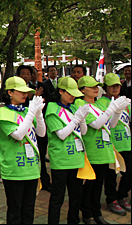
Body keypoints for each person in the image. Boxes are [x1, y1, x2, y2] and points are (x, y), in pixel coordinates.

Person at [74, 76, 129, 224]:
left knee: (98, 185)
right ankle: (87, 213)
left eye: (96, 86)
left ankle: (96, 212)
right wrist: (111, 108)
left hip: (104, 149)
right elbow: (96, 124)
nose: (95, 89)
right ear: (82, 90)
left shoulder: (97, 105)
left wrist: (117, 112)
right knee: (89, 186)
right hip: (91, 150)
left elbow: (111, 124)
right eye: (91, 87)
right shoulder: (80, 103)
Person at [0, 76, 45, 224]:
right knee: (15, 210)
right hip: (14, 169)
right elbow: (18, 135)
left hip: (31, 168)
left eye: (26, 92)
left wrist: (38, 114)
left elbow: (41, 133)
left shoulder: (27, 111)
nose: (25, 95)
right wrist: (31, 113)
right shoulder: (3, 113)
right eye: (20, 91)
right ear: (10, 92)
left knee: (29, 209)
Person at [45, 77, 90, 224]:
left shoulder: (74, 107)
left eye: (74, 93)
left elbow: (83, 132)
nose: (72, 96)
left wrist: (82, 120)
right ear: (60, 91)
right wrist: (76, 119)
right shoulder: (52, 109)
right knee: (58, 197)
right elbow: (62, 134)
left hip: (76, 158)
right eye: (69, 93)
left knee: (76, 196)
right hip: (61, 159)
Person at [97, 73, 131, 216]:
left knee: (129, 172)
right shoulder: (100, 104)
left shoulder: (126, 101)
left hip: (126, 143)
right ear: (106, 87)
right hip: (111, 145)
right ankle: (112, 200)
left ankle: (121, 195)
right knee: (111, 176)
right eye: (112, 86)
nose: (115, 88)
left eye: (117, 85)